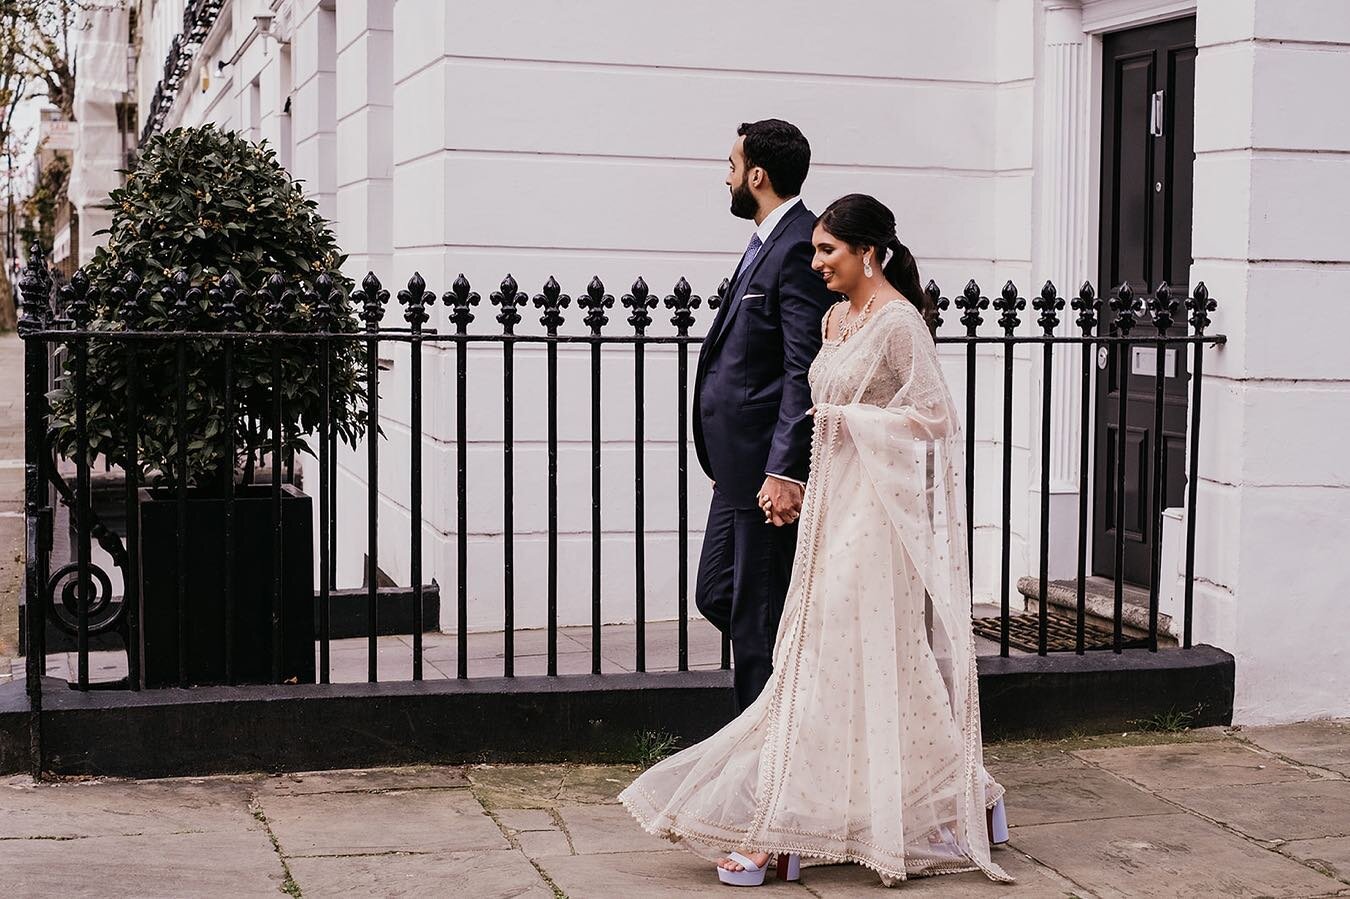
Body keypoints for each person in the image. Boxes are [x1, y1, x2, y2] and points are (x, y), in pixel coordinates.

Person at [622, 194, 1011, 887]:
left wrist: (854, 420)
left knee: (836, 658)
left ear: (868, 252)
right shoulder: (836, 318)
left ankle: (783, 824)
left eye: (827, 250)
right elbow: (811, 403)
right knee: (822, 653)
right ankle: (968, 788)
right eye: (812, 250)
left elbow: (933, 418)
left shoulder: (898, 324)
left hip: (876, 520)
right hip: (831, 509)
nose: (816, 261)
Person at [693, 119, 835, 712]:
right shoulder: (764, 242)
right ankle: (803, 698)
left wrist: (785, 470)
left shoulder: (800, 244)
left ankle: (765, 756)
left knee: (753, 617)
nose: (724, 177)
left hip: (764, 474)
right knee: (719, 594)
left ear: (757, 175)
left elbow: (803, 370)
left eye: (731, 166)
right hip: (736, 469)